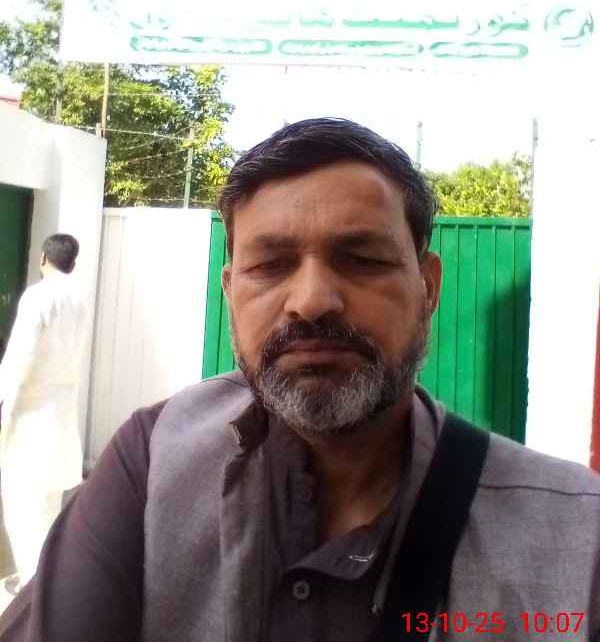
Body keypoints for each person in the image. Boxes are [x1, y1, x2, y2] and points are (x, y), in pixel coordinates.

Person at [1, 118, 600, 642]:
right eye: (271, 265)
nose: (311, 301)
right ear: (231, 293)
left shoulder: (576, 534)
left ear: (428, 287)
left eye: (362, 260)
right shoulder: (153, 459)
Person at [0, 234, 86, 592]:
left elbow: (20, 358)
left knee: (23, 513)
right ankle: (44, 583)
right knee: (48, 512)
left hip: (30, 422)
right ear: (73, 263)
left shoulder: (38, 296)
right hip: (60, 419)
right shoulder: (78, 298)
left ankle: (32, 592)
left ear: (42, 258)